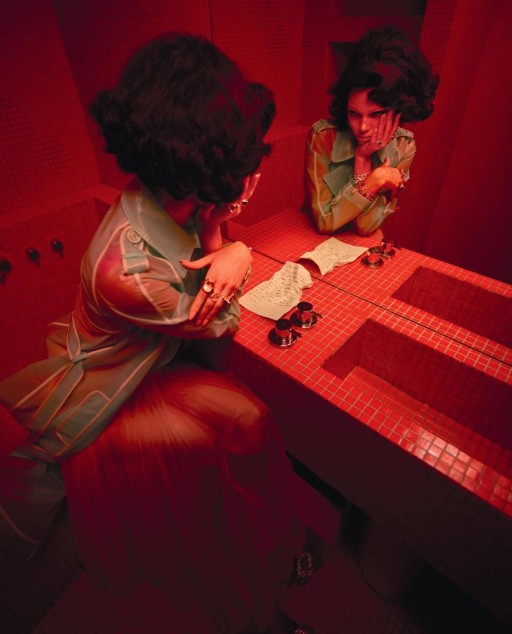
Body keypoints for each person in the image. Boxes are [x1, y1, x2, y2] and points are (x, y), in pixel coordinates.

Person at [0, 34, 317, 633]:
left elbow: (199, 287)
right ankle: (254, 594)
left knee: (251, 420)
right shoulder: (126, 274)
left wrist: (220, 228)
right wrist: (230, 245)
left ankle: (274, 548)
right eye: (244, 166)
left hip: (147, 356)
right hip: (108, 391)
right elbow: (217, 324)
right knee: (218, 465)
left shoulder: (168, 198)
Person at [304, 25, 439, 236]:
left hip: (361, 247)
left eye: (375, 114)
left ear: (397, 111)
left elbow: (365, 227)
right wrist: (376, 176)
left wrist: (365, 168)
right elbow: (324, 222)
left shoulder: (404, 146)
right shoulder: (323, 137)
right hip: (309, 240)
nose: (363, 127)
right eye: (354, 113)